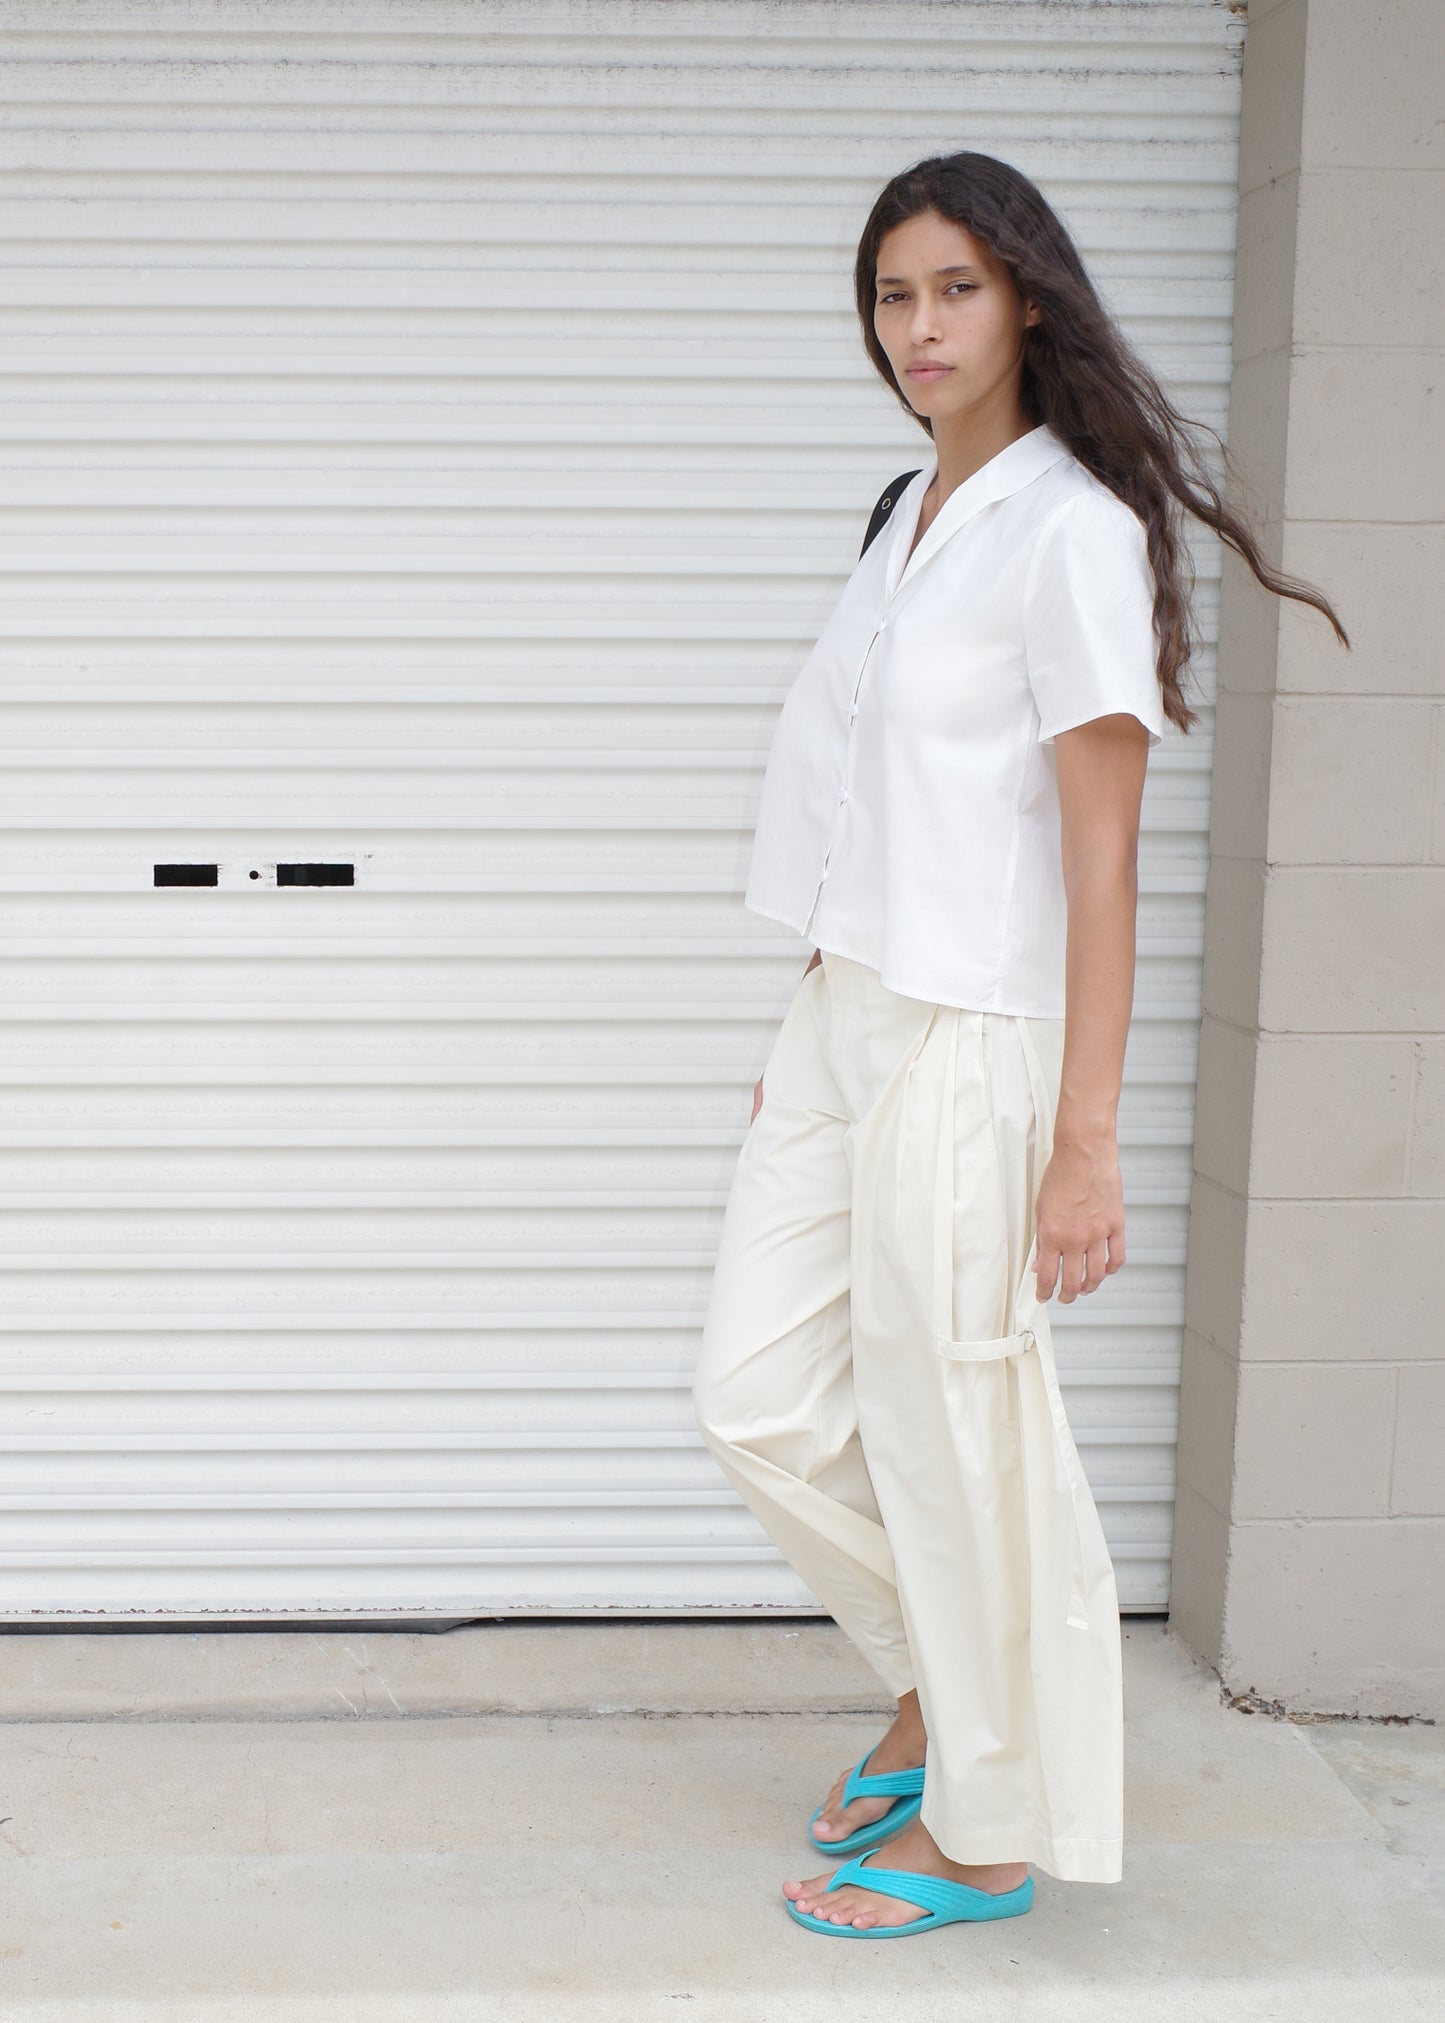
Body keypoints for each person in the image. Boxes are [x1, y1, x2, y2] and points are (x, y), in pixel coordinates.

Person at [690, 150, 1347, 1940]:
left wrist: (1084, 1137)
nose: (919, 326)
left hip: (975, 1030)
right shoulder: (901, 513)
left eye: (954, 289)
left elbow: (1101, 858)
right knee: (751, 1398)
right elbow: (859, 812)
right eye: (894, 295)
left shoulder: (1073, 532)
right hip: (844, 1011)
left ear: (1026, 300)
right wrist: (802, 1023)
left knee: (951, 1429)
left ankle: (983, 1835)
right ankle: (931, 1683)